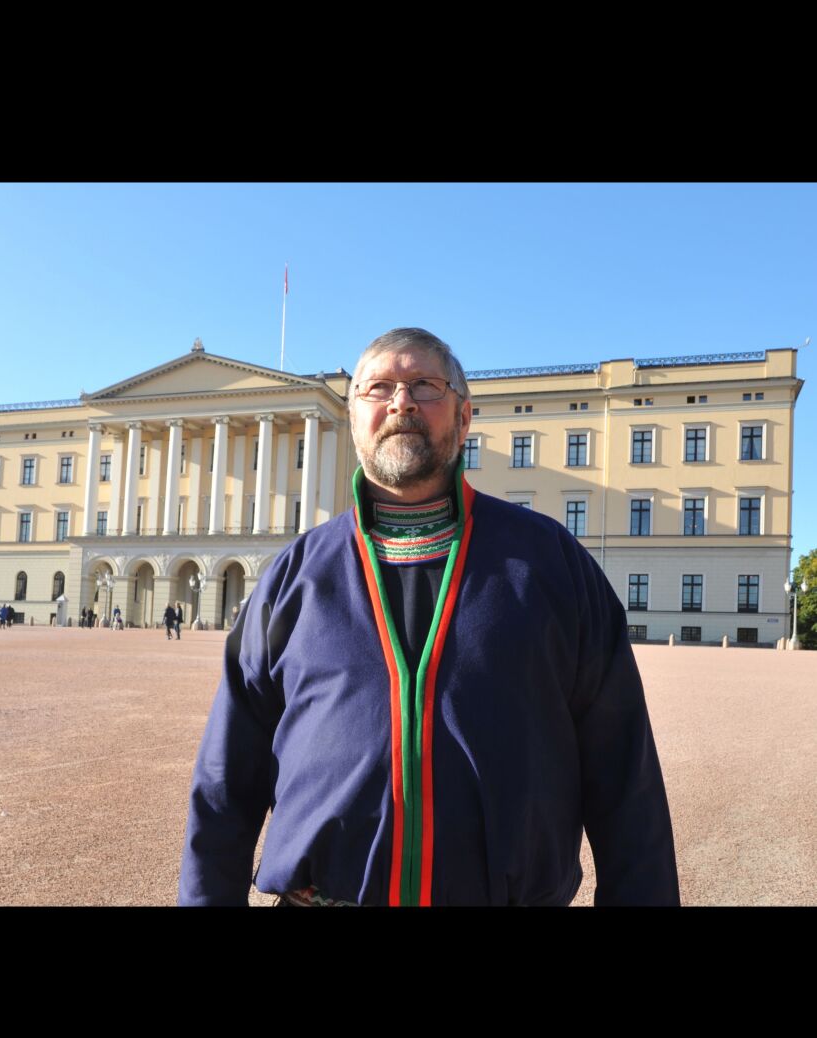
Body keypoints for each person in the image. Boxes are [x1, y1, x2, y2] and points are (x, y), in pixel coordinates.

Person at [178, 326, 680, 908]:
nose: (401, 401)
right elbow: (224, 785)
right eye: (379, 388)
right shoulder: (294, 575)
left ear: (464, 419)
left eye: (424, 385)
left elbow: (625, 781)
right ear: (352, 418)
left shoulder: (550, 564)